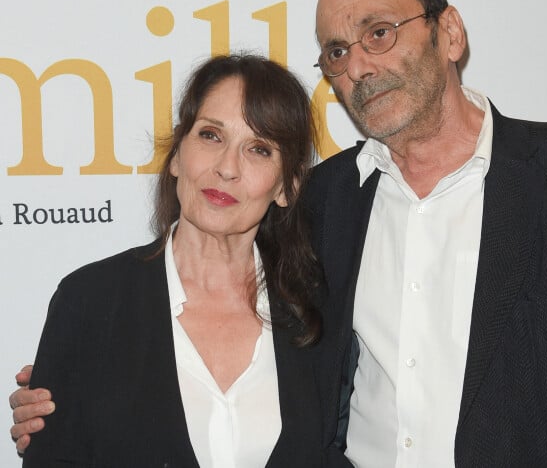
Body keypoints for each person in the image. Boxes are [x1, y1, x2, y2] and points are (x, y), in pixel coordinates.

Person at [11, 0, 547, 467]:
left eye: (378, 33)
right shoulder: (331, 202)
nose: (357, 66)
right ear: (177, 155)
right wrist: (70, 398)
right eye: (337, 51)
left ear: (449, 32)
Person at [11, 53, 326, 468]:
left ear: (288, 186)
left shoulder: (318, 313)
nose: (227, 168)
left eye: (259, 149)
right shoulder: (89, 301)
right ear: (177, 154)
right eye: (211, 136)